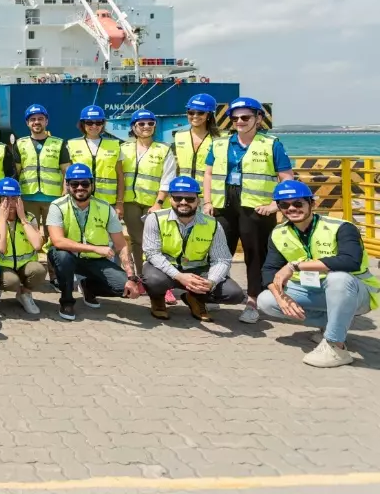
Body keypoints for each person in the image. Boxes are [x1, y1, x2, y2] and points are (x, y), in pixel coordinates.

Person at [257, 181, 380, 368]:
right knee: (267, 301)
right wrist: (281, 298)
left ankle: (335, 346)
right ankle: (335, 325)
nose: (291, 208)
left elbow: (350, 261)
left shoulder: (341, 227)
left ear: (312, 204)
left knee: (338, 278)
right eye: (284, 205)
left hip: (355, 292)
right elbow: (269, 270)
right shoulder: (278, 233)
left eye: (298, 203)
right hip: (313, 289)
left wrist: (295, 266)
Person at [204, 96, 293, 324]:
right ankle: (213, 292)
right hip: (224, 205)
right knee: (219, 252)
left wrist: (276, 205)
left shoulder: (272, 144)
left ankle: (253, 301)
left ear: (258, 118)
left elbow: (286, 178)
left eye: (245, 117)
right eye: (235, 118)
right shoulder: (220, 143)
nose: (240, 122)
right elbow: (208, 173)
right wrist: (207, 202)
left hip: (256, 209)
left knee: (255, 256)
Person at [47, 163, 141, 321]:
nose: (80, 187)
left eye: (84, 183)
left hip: (95, 262)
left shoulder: (105, 208)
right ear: (67, 185)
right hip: (68, 257)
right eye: (74, 184)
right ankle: (67, 301)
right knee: (62, 256)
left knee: (124, 288)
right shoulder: (57, 206)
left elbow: (121, 245)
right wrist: (95, 248)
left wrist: (131, 278)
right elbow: (58, 241)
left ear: (92, 184)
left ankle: (88, 287)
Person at [141, 176, 244, 321]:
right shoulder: (155, 219)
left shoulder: (213, 224)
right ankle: (158, 300)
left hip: (198, 271)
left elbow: (222, 259)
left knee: (234, 294)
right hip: (165, 270)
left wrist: (211, 282)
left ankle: (195, 298)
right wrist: (180, 276)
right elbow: (152, 253)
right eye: (178, 198)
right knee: (153, 280)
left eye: (189, 199)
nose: (183, 202)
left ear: (198, 200)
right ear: (170, 199)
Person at [120, 109, 176, 277]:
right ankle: (142, 276)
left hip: (155, 203)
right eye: (141, 123)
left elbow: (168, 177)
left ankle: (163, 281)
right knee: (137, 241)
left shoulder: (163, 150)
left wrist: (158, 203)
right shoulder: (123, 148)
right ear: (133, 127)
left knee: (159, 243)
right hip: (131, 203)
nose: (146, 126)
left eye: (150, 123)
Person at [0, 177, 46, 314]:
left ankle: (24, 294)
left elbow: (37, 245)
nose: (10, 203)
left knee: (39, 271)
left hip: (24, 264)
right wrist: (3, 219)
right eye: (5, 199)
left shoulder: (29, 217)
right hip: (3, 266)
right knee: (11, 281)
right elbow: (1, 248)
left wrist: (24, 220)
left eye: (14, 198)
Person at [14, 103, 67, 226]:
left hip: (54, 198)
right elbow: (15, 172)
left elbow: (66, 171)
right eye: (32, 119)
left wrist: (65, 191)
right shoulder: (20, 144)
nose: (36, 122)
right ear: (27, 123)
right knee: (32, 236)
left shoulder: (59, 143)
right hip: (28, 198)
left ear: (46, 121)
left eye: (40, 119)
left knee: (54, 236)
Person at [63, 104, 124, 208]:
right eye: (89, 122)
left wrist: (120, 203)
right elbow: (66, 175)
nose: (94, 126)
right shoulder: (72, 145)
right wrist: (65, 195)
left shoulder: (115, 145)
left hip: (107, 202)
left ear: (103, 124)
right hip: (79, 200)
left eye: (98, 122)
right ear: (83, 124)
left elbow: (120, 176)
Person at [174, 93, 219, 186]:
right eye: (191, 112)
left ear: (209, 115)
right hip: (184, 193)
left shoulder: (220, 139)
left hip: (209, 194)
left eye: (200, 112)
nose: (195, 116)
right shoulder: (179, 136)